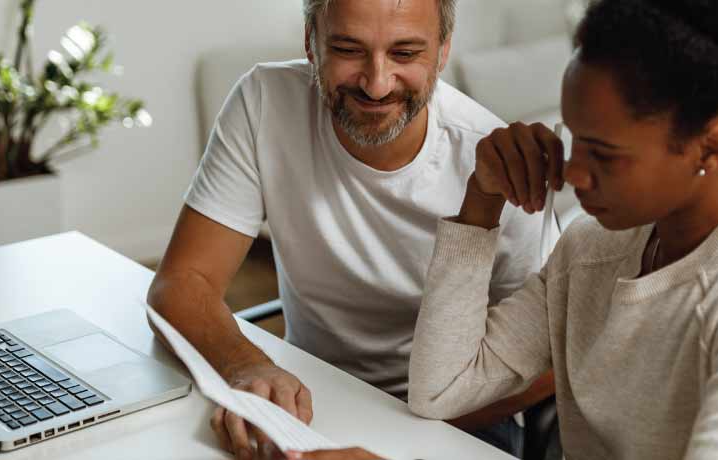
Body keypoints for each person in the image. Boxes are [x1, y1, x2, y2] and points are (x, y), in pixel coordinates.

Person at [401, 0, 718, 458]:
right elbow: (441, 390)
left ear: (709, 149)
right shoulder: (591, 248)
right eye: (574, 138)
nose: (574, 173)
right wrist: (481, 199)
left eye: (603, 154)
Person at [146, 0, 555, 458]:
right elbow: (181, 283)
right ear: (310, 43)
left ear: (442, 51)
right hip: (313, 395)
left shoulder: (497, 169)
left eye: (404, 54)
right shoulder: (263, 101)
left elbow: (547, 362)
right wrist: (245, 366)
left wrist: (391, 439)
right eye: (347, 48)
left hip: (457, 421)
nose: (377, 84)